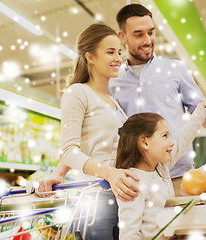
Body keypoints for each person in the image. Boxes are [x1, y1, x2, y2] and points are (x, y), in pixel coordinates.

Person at [39, 23, 141, 239]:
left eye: (119, 52)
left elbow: (89, 142)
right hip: (95, 199)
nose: (118, 58)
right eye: (110, 52)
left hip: (121, 196)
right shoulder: (77, 93)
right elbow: (70, 150)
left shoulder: (114, 102)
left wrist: (58, 173)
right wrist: (109, 173)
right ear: (90, 57)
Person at [110, 4, 206, 196]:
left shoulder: (176, 69)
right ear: (122, 37)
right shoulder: (113, 80)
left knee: (184, 227)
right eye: (139, 34)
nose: (148, 40)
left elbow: (205, 120)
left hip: (180, 176)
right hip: (136, 181)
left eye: (151, 32)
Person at [115, 97, 206, 240]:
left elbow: (184, 138)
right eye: (164, 136)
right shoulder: (132, 183)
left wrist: (202, 108)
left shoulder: (161, 168)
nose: (171, 142)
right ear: (144, 142)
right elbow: (128, 235)